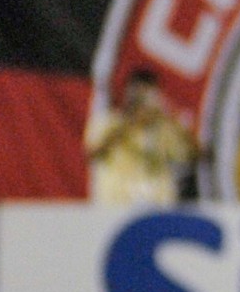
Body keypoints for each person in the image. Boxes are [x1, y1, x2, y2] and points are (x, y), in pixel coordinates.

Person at [85, 69, 202, 205]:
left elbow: (193, 155)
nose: (142, 101)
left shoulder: (164, 126)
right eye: (138, 95)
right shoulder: (107, 122)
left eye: (148, 95)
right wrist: (131, 122)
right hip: (115, 205)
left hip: (157, 206)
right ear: (127, 93)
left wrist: (171, 118)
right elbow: (94, 153)